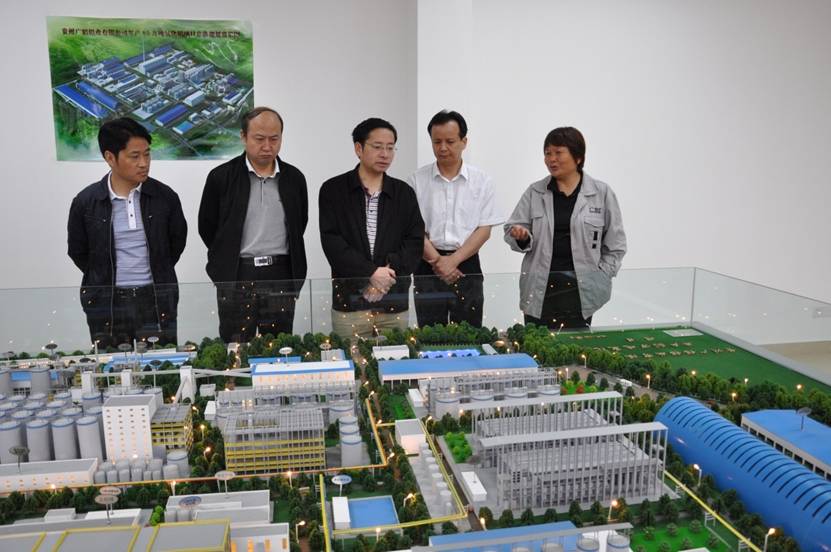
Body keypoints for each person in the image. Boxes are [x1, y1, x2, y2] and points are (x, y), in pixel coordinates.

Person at [67, 117, 187, 348]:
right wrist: (103, 277)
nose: (144, 163)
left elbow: (175, 244)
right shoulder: (86, 202)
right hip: (107, 303)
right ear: (110, 158)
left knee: (160, 361)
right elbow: (78, 252)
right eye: (135, 156)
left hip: (156, 300)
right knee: (111, 365)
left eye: (147, 154)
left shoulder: (165, 197)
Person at [198, 107, 308, 343]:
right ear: (243, 137)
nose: (267, 146)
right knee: (236, 345)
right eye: (259, 139)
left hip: (281, 273)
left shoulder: (294, 178)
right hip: (238, 274)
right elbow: (207, 227)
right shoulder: (221, 177)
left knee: (278, 346)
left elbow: (300, 224)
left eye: (274, 139)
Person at [504, 127, 626, 329]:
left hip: (581, 289)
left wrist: (602, 275)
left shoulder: (601, 193)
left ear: (578, 157)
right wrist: (521, 236)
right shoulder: (535, 192)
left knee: (576, 345)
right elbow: (512, 229)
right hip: (540, 287)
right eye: (547, 153)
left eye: (558, 153)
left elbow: (616, 244)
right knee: (537, 343)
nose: (551, 159)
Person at [319, 117, 424, 338]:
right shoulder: (333, 190)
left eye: (390, 148)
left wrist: (383, 280)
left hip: (393, 303)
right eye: (377, 147)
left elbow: (414, 242)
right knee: (352, 359)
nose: (385, 154)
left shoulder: (403, 193)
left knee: (395, 358)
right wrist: (371, 273)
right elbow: (333, 244)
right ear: (358, 148)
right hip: (350, 304)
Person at [408, 110, 501, 328]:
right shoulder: (416, 180)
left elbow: (484, 230)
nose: (442, 148)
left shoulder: (482, 181)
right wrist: (438, 262)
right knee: (431, 335)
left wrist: (453, 260)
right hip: (427, 265)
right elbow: (413, 230)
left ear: (464, 142)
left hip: (467, 264)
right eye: (436, 142)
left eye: (450, 141)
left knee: (469, 333)